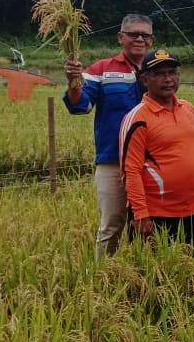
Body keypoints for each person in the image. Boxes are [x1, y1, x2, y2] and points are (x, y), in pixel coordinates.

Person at [63, 13, 152, 259]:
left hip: (153, 162)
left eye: (145, 35)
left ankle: (143, 271)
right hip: (113, 161)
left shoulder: (158, 68)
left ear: (152, 40)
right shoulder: (102, 69)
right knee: (111, 225)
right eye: (133, 34)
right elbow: (80, 105)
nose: (139, 39)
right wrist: (73, 81)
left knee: (149, 224)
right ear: (120, 37)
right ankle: (103, 276)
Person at [119, 50, 194, 245]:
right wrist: (140, 214)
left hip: (193, 210)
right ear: (145, 80)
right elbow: (130, 170)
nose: (168, 79)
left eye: (172, 72)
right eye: (159, 74)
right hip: (155, 214)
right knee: (155, 273)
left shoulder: (188, 109)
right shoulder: (137, 118)